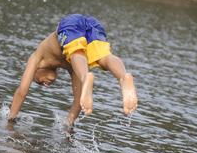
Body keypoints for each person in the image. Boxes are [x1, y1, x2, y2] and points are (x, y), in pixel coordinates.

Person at [8, 14, 138, 126]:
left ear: (36, 71)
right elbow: (78, 100)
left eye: (39, 81)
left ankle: (86, 77)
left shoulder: (37, 58)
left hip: (71, 23)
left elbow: (22, 91)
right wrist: (68, 124)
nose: (45, 84)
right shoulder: (73, 67)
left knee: (76, 52)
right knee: (104, 58)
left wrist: (10, 120)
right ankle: (123, 77)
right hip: (93, 25)